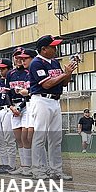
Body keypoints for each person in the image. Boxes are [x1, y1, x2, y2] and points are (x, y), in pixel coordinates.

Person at [29, 35, 77, 181]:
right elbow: (46, 84)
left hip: (55, 101)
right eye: (52, 46)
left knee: (56, 138)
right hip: (41, 100)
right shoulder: (36, 63)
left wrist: (68, 74)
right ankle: (38, 170)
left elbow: (63, 84)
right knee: (40, 137)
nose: (55, 49)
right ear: (43, 49)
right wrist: (64, 73)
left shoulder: (54, 62)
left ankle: (56, 170)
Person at [6, 48, 34, 176]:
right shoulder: (10, 74)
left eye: (21, 57)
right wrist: (11, 106)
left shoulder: (28, 72)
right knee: (18, 139)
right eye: (16, 57)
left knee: (26, 137)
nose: (18, 59)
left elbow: (29, 93)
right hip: (14, 107)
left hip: (26, 106)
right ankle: (24, 166)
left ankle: (29, 166)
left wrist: (19, 107)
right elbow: (7, 93)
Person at [0, 60, 18, 174]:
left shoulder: (12, 80)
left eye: (3, 69)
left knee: (9, 139)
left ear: (10, 68)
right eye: (0, 69)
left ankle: (11, 165)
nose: (1, 71)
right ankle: (3, 164)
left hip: (7, 110)